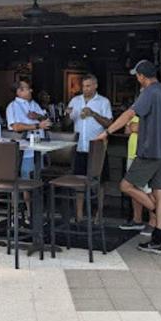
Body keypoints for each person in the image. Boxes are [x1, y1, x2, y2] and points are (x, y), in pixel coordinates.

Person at [96, 60, 161, 254]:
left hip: (149, 152)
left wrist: (107, 132)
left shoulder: (148, 93)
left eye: (137, 76)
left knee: (125, 186)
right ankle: (157, 241)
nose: (137, 79)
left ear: (142, 76)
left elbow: (129, 114)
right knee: (159, 192)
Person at [65, 74, 112, 220]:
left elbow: (109, 124)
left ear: (95, 86)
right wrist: (67, 115)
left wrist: (93, 114)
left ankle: (99, 214)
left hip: (97, 149)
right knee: (79, 181)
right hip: (80, 147)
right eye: (84, 86)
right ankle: (79, 215)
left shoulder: (103, 102)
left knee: (100, 182)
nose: (85, 89)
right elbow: (66, 124)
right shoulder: (75, 101)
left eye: (88, 86)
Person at [5, 80, 51, 180]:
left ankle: (38, 190)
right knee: (27, 177)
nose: (31, 90)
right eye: (28, 88)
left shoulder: (34, 104)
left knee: (39, 176)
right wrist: (37, 126)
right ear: (19, 91)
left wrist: (38, 116)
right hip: (25, 150)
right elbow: (16, 127)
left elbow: (47, 122)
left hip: (39, 146)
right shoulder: (12, 106)